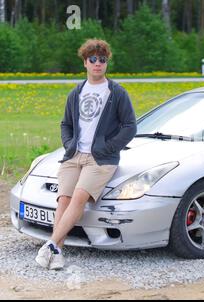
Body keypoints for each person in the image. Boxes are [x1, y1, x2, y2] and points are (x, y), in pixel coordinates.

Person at [35, 38, 137, 270]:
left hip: (101, 159)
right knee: (64, 200)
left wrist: (108, 148)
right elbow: (66, 124)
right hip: (74, 155)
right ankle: (57, 251)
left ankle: (50, 244)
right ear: (85, 62)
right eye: (93, 59)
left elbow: (130, 126)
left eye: (102, 59)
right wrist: (69, 144)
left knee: (79, 198)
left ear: (106, 63)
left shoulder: (117, 93)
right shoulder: (76, 93)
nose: (98, 63)